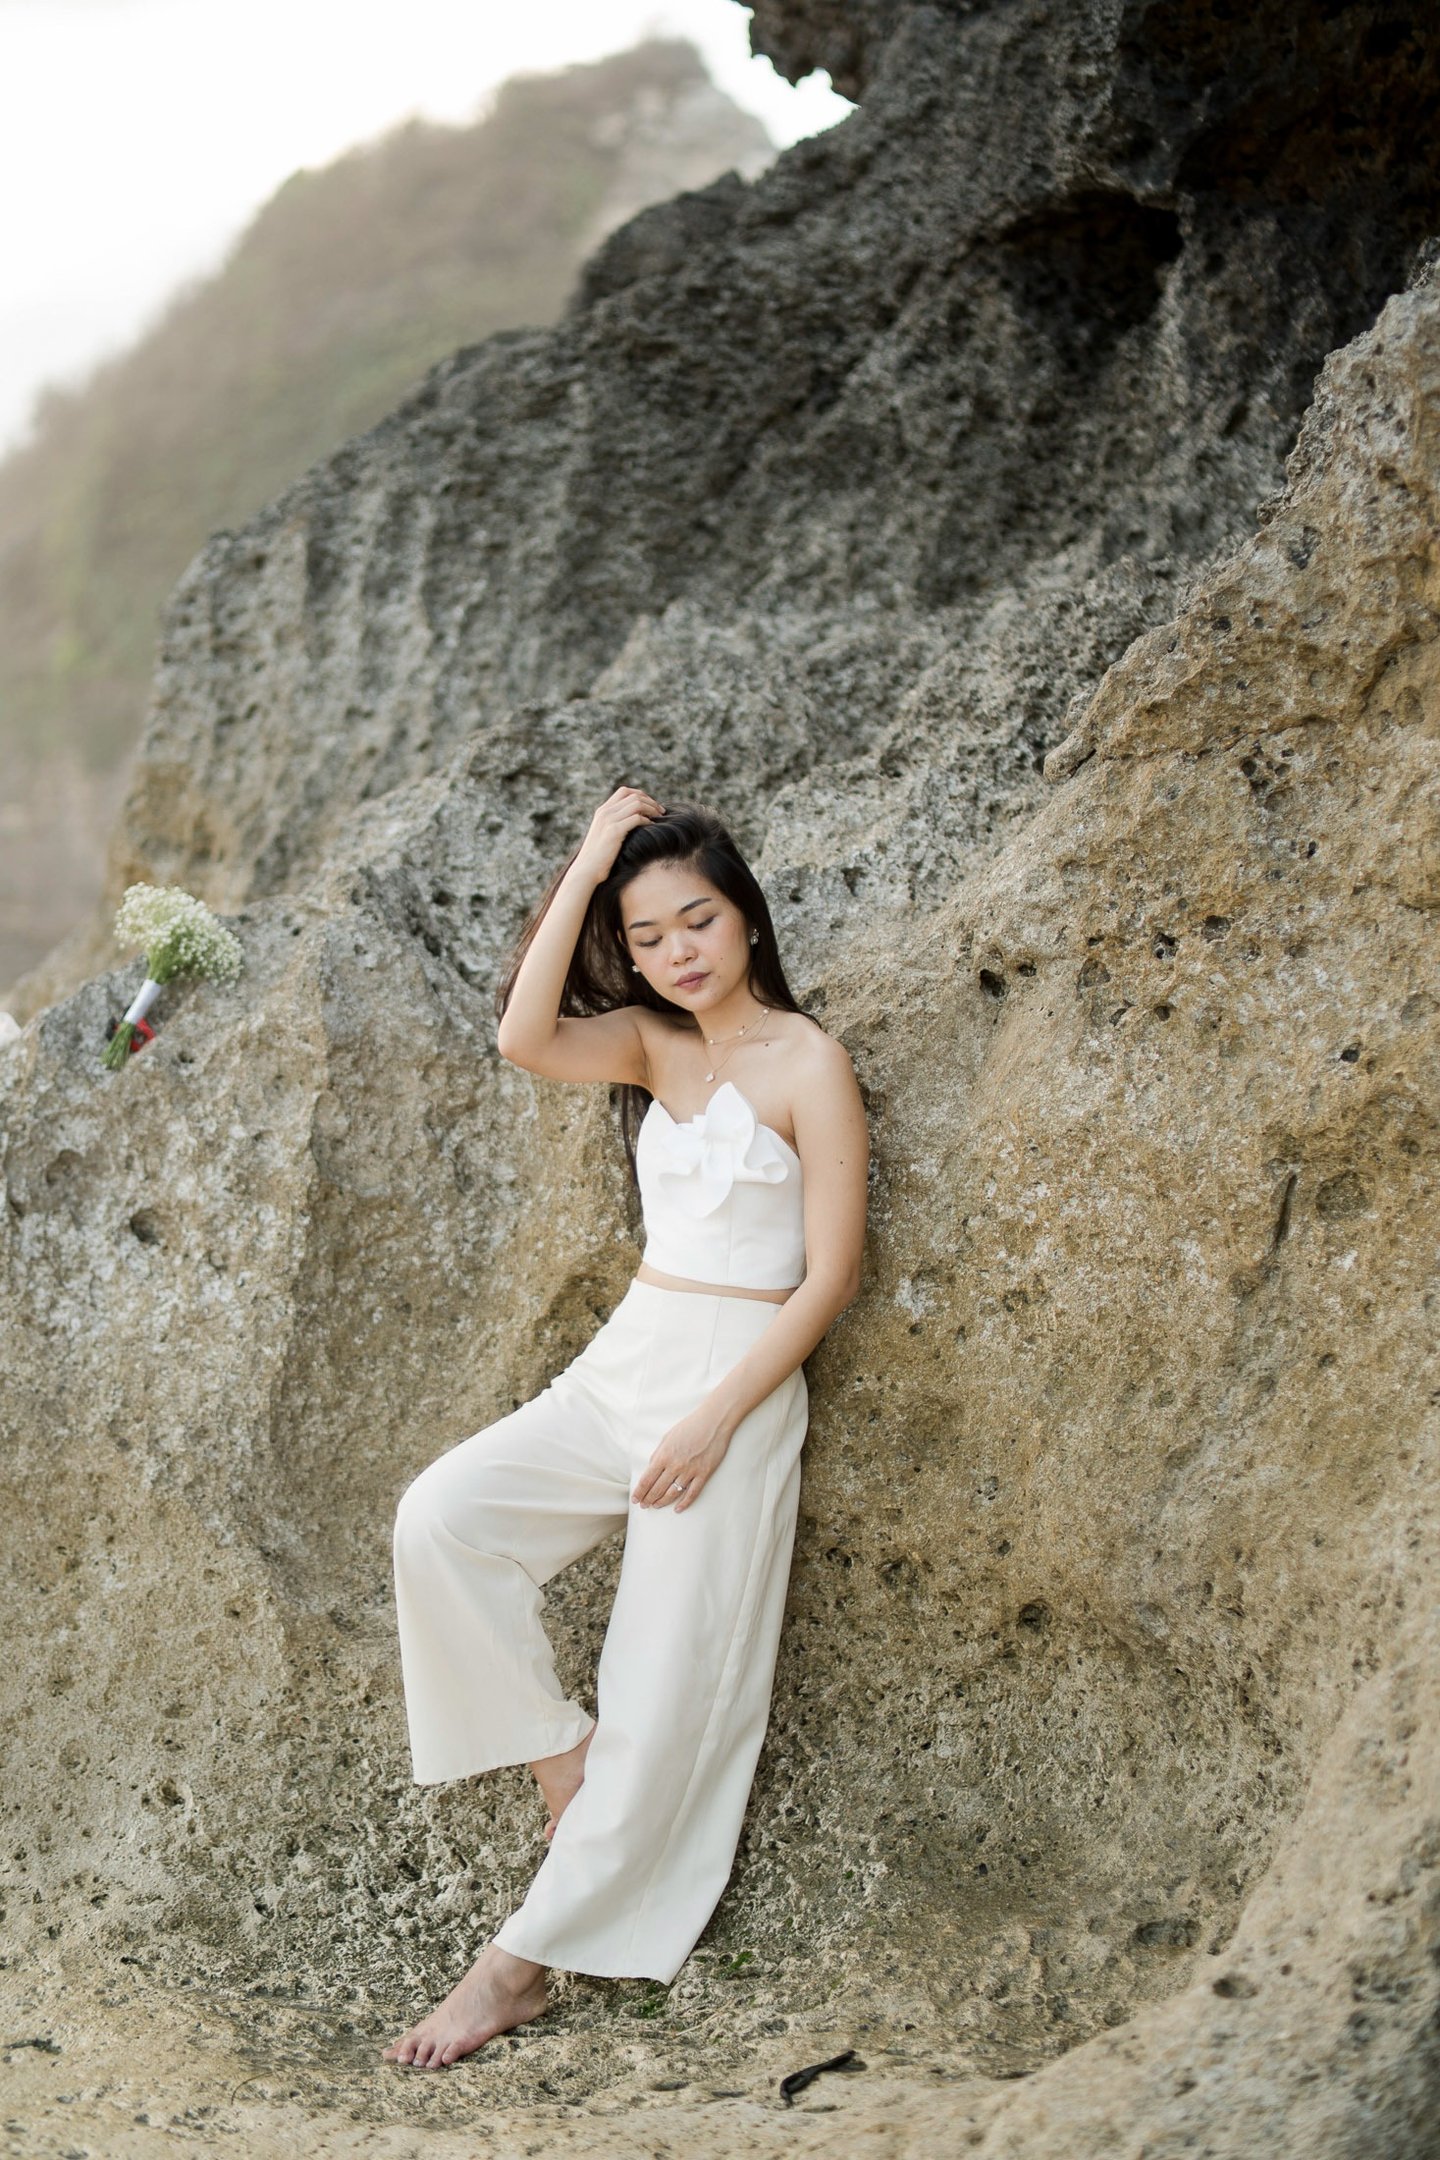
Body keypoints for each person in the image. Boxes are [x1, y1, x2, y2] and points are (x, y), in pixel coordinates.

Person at [382, 786, 868, 2070]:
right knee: (442, 1520)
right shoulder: (655, 1048)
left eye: (696, 921)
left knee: (661, 1691)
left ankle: (513, 1967)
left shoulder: (808, 1064)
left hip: (735, 1384)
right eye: (646, 937)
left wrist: (718, 1421)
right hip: (626, 1361)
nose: (676, 953)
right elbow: (522, 1037)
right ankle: (558, 1756)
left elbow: (829, 1276)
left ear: (746, 917)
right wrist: (593, 859)